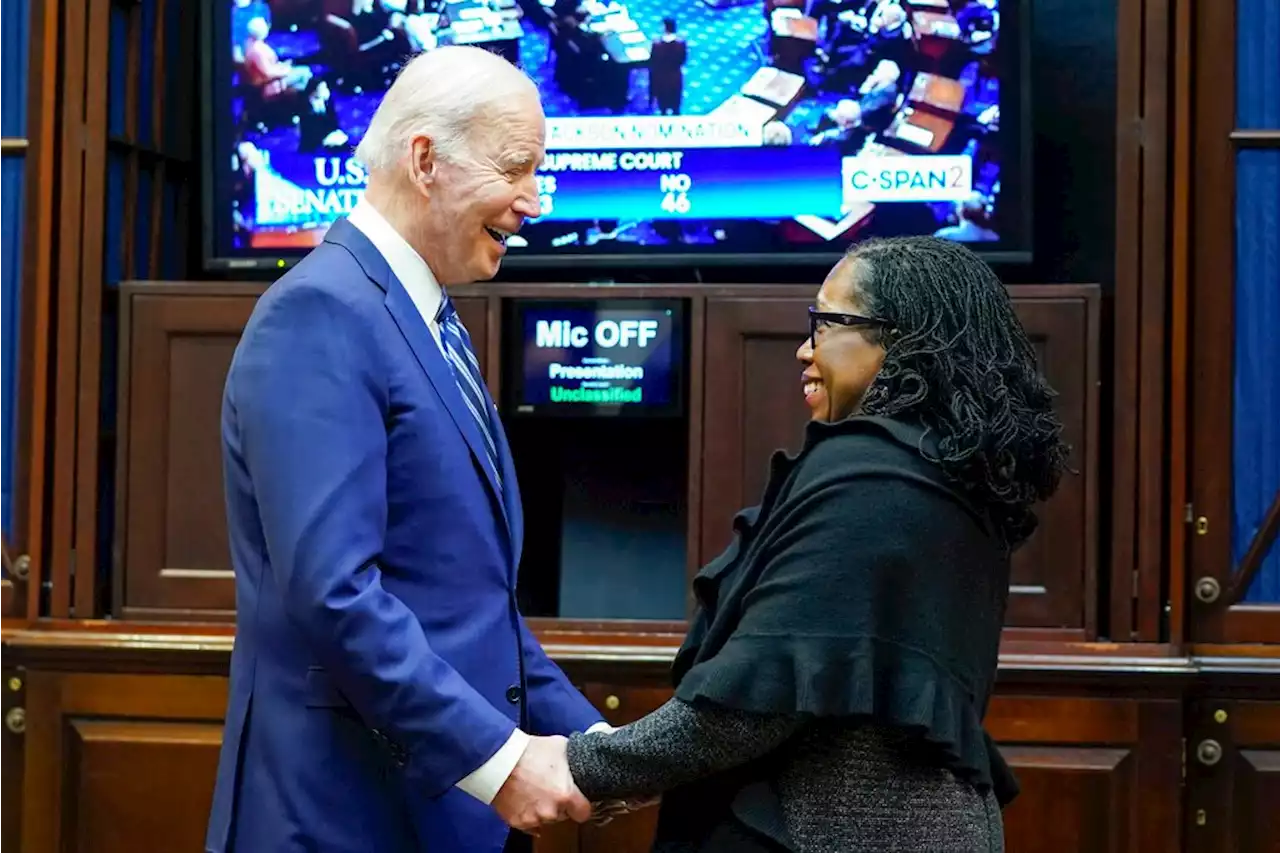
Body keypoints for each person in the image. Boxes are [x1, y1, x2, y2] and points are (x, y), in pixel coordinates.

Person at [205, 46, 611, 853]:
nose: (535, 200)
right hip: (341, 819)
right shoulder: (322, 313)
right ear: (426, 160)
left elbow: (467, 603)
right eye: (517, 168)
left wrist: (608, 753)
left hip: (427, 816)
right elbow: (336, 596)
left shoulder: (425, 318)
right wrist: (500, 761)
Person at [564, 236, 1070, 851]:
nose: (805, 349)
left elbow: (755, 700)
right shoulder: (946, 475)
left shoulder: (870, 475)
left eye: (828, 323)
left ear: (903, 337)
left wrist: (585, 766)